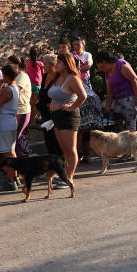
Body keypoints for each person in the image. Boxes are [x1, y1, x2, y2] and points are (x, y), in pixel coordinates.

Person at [48, 54, 87, 184]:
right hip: (57, 117)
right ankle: (64, 175)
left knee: (71, 150)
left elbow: (83, 96)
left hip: (68, 117)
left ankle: (69, 178)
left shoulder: (72, 79)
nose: (56, 64)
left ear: (66, 64)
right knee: (64, 150)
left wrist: (71, 107)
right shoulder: (58, 77)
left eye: (59, 62)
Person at [72, 37, 103, 163]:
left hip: (85, 87)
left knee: (85, 129)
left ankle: (86, 154)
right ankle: (80, 155)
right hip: (78, 89)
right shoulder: (71, 55)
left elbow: (89, 65)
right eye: (74, 45)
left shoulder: (87, 55)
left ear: (83, 45)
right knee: (81, 129)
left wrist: (77, 69)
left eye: (78, 44)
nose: (76, 47)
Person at [96, 51, 137, 133]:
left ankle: (132, 144)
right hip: (118, 100)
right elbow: (109, 92)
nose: (99, 69)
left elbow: (134, 79)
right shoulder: (107, 73)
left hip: (130, 98)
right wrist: (108, 106)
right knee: (118, 124)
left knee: (130, 125)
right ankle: (122, 144)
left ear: (104, 62)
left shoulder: (120, 64)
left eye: (100, 66)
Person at [0, 64, 22, 192]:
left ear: (6, 76)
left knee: (7, 153)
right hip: (10, 122)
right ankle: (14, 176)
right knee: (11, 151)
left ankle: (10, 180)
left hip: (4, 123)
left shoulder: (6, 90)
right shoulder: (15, 88)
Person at [6, 54, 33, 157]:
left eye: (9, 64)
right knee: (16, 139)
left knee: (18, 137)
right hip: (15, 111)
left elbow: (14, 91)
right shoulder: (15, 76)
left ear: (16, 65)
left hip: (22, 111)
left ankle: (28, 157)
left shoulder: (22, 76)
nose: (7, 66)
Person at [25, 47, 44, 124]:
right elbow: (43, 74)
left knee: (29, 104)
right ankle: (33, 122)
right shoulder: (40, 64)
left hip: (29, 85)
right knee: (35, 105)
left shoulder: (28, 63)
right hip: (37, 86)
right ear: (38, 56)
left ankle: (28, 121)